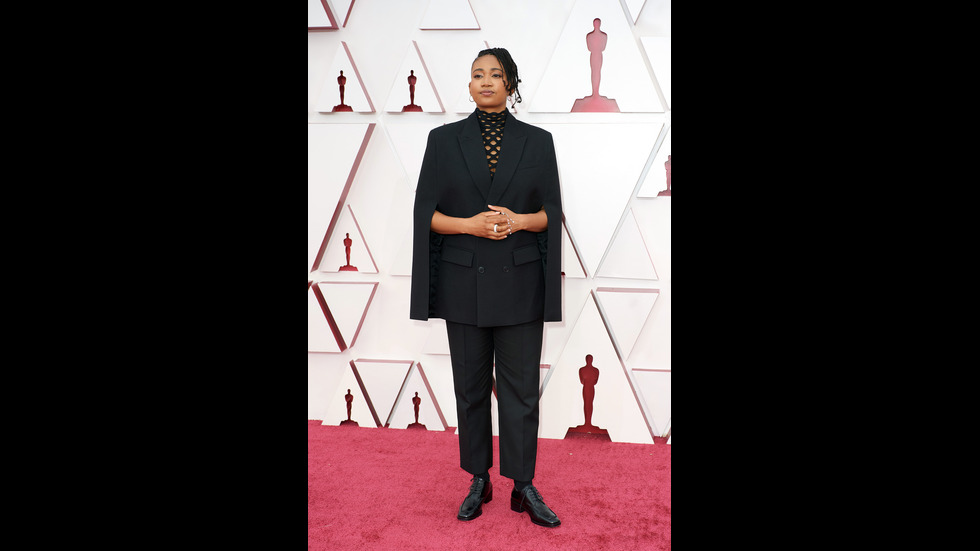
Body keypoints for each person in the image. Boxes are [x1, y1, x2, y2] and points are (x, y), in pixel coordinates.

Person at [410, 47, 563, 528]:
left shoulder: (538, 141)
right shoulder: (442, 140)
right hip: (463, 283)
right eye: (477, 74)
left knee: (521, 393)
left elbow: (551, 213)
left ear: (510, 84)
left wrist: (518, 220)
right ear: (469, 84)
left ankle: (523, 485)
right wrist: (469, 225)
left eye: (496, 74)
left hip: (521, 282)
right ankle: (479, 479)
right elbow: (425, 214)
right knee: (471, 390)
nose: (486, 81)